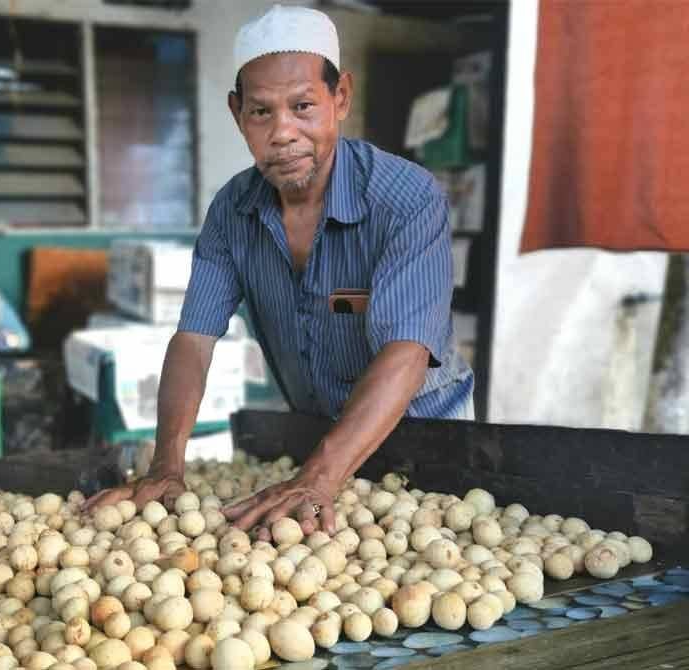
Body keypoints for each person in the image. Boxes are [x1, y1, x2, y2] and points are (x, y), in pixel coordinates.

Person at [86, 6, 474, 539]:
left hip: (430, 440)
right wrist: (166, 467)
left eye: (304, 106)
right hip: (316, 442)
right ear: (236, 113)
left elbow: (406, 351)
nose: (283, 133)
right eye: (261, 113)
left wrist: (316, 478)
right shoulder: (233, 211)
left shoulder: (405, 199)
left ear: (341, 99)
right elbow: (194, 341)